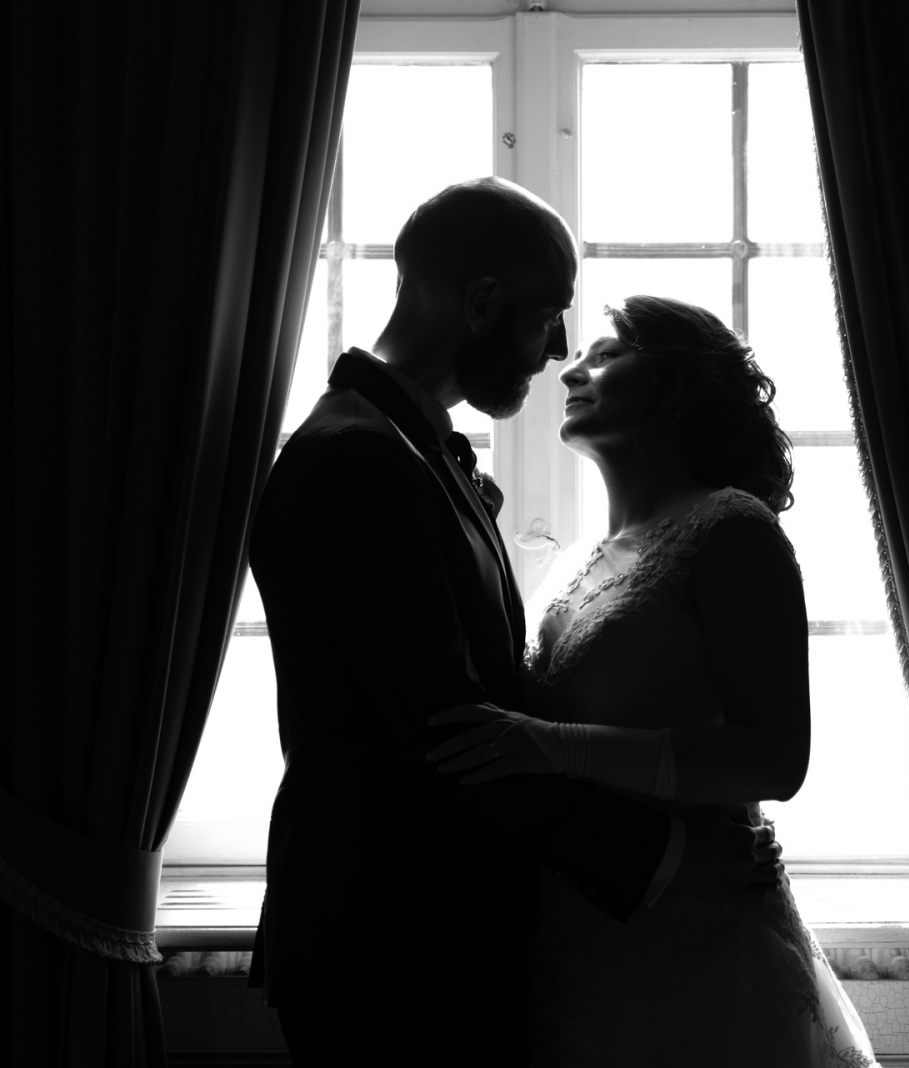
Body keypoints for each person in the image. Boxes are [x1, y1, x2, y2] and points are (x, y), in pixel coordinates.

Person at [247, 180, 779, 1065]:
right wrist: (664, 856)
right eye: (548, 316)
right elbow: (448, 735)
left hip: (439, 933)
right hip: (391, 944)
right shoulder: (357, 461)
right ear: (483, 300)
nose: (560, 352)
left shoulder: (411, 450)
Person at [427, 295, 879, 1066]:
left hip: (699, 946)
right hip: (580, 928)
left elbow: (774, 759)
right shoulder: (575, 564)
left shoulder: (731, 531)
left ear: (677, 387)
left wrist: (551, 744)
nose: (571, 368)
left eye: (605, 353)